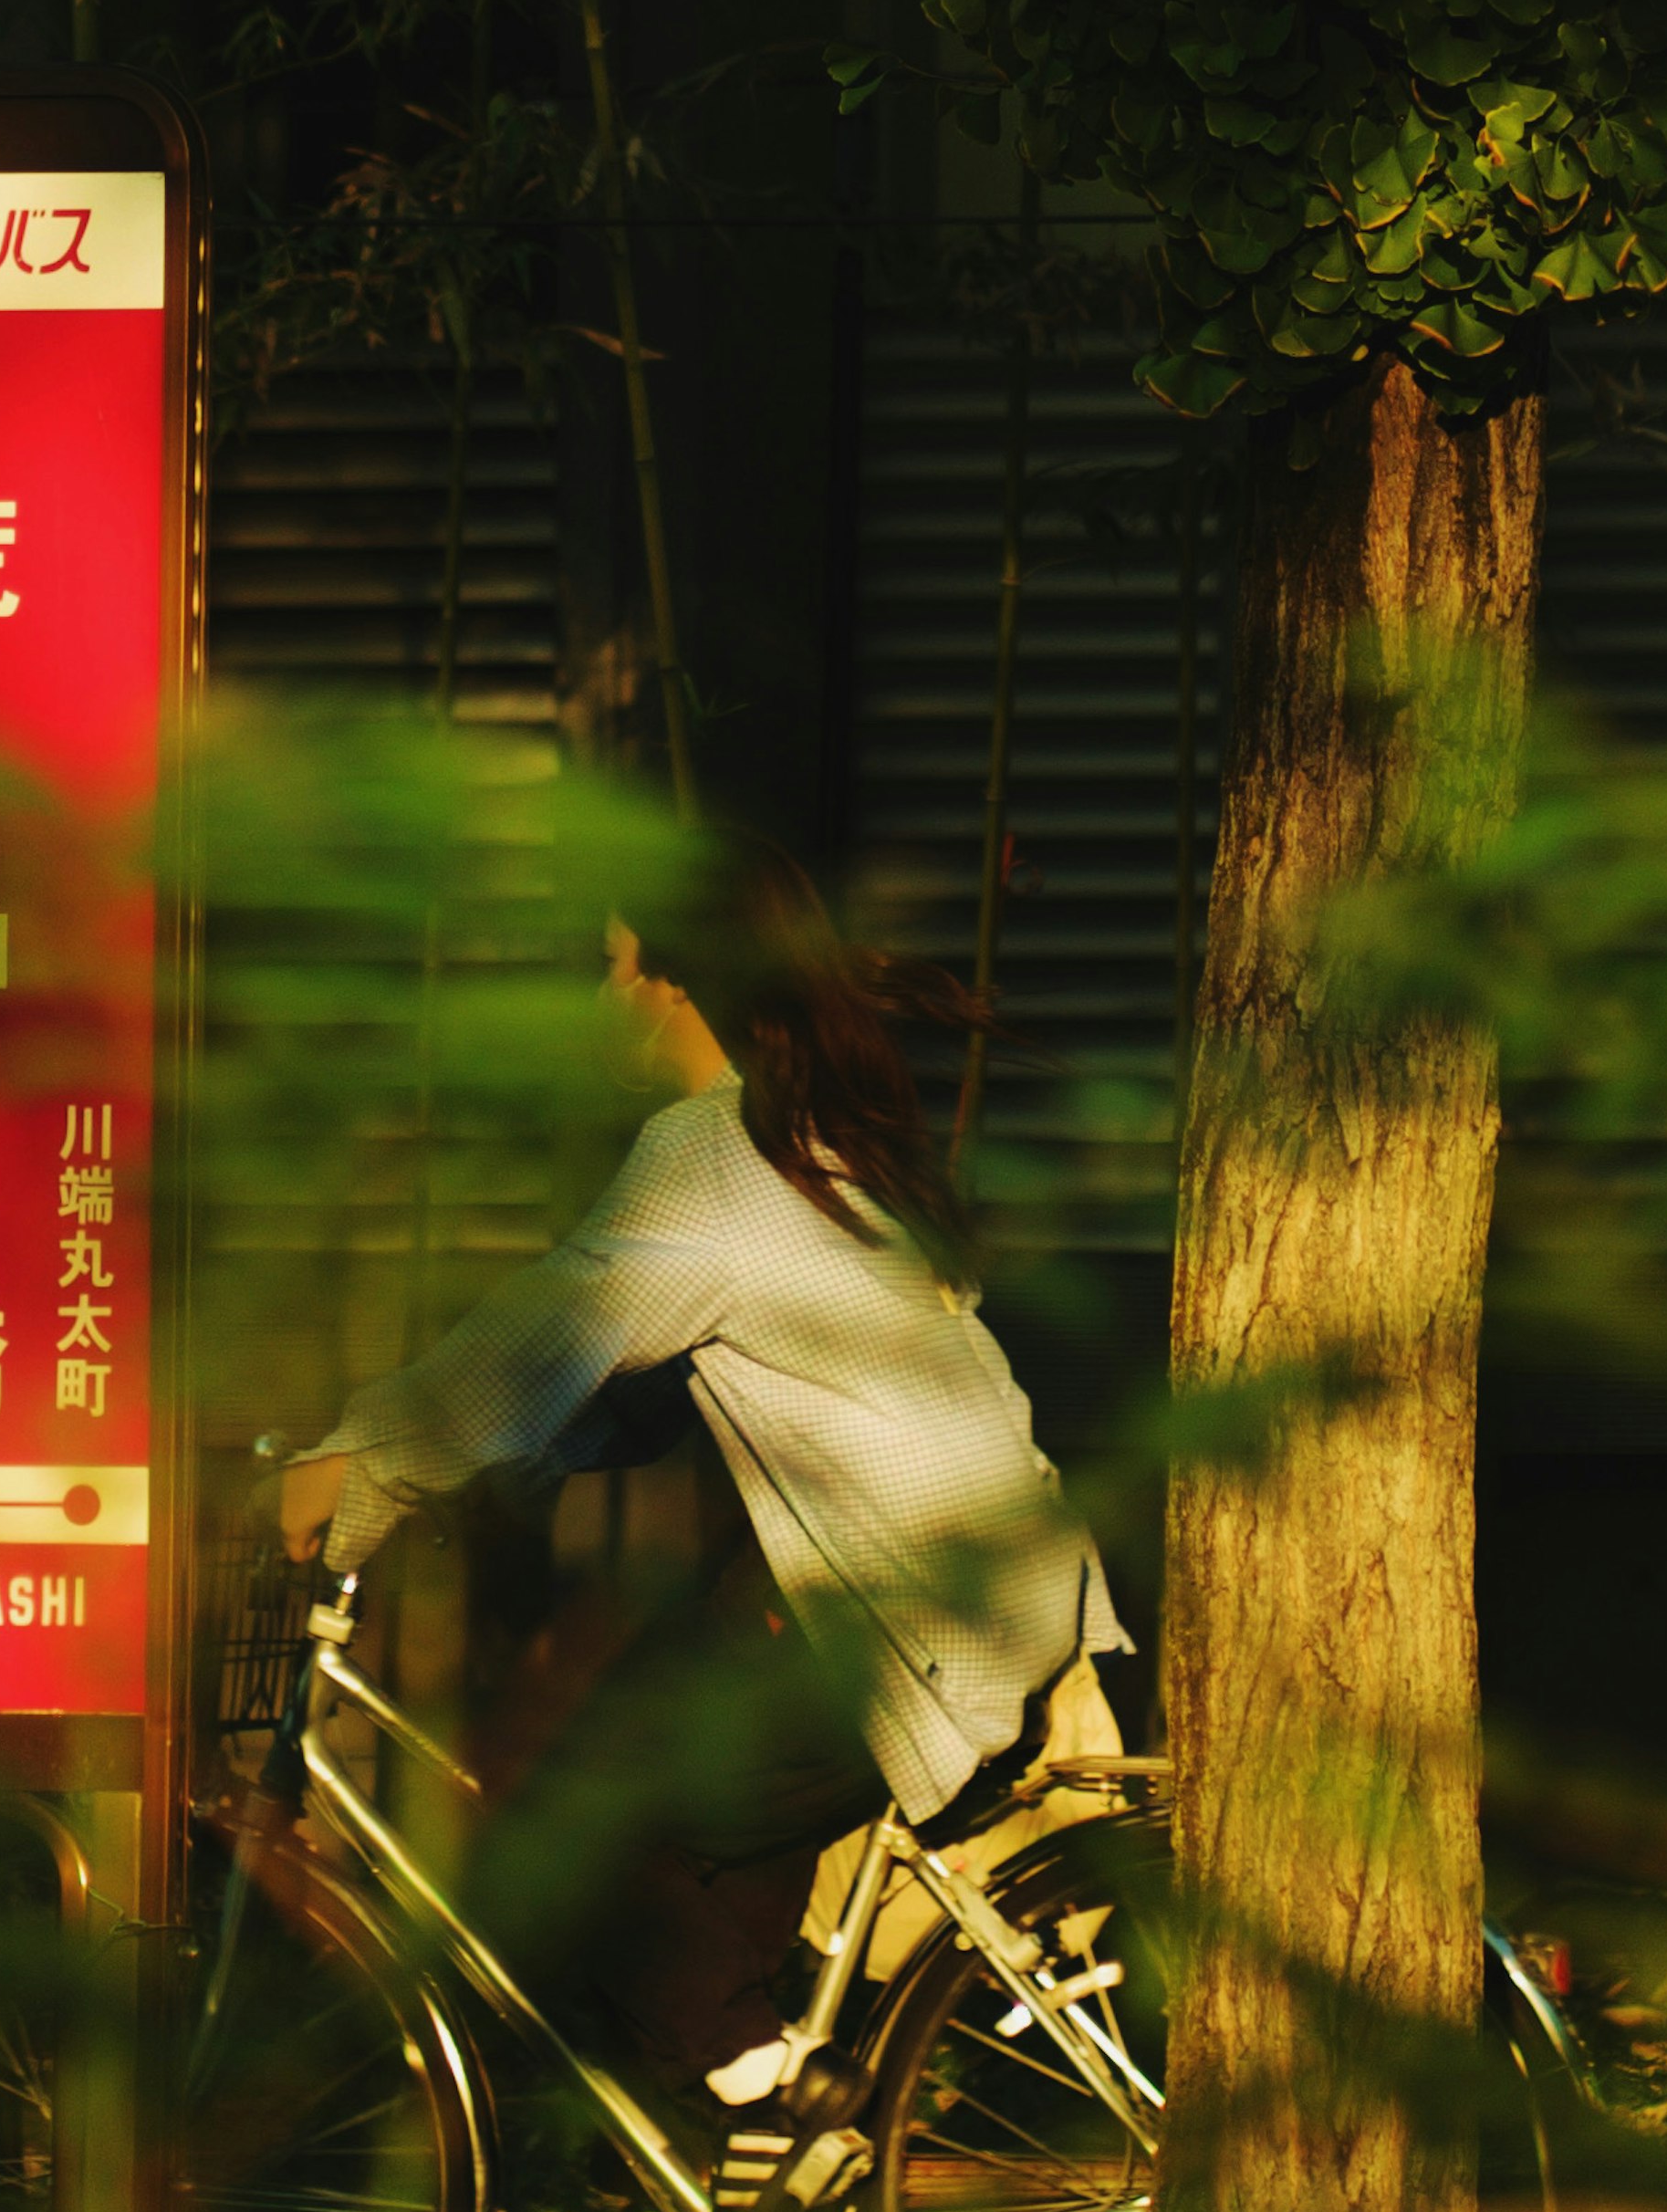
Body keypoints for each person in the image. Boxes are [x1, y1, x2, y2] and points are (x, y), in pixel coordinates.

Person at [278, 830, 1128, 2115]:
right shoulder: (817, 1141)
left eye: (620, 965)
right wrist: (525, 1466)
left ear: (685, 982)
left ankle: (783, 2103)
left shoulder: (710, 1155)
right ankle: (757, 2171)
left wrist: (361, 1467)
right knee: (697, 1833)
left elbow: (550, 1332)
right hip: (1012, 1597)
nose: (604, 995)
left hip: (916, 1630)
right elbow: (671, 1370)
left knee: (567, 1819)